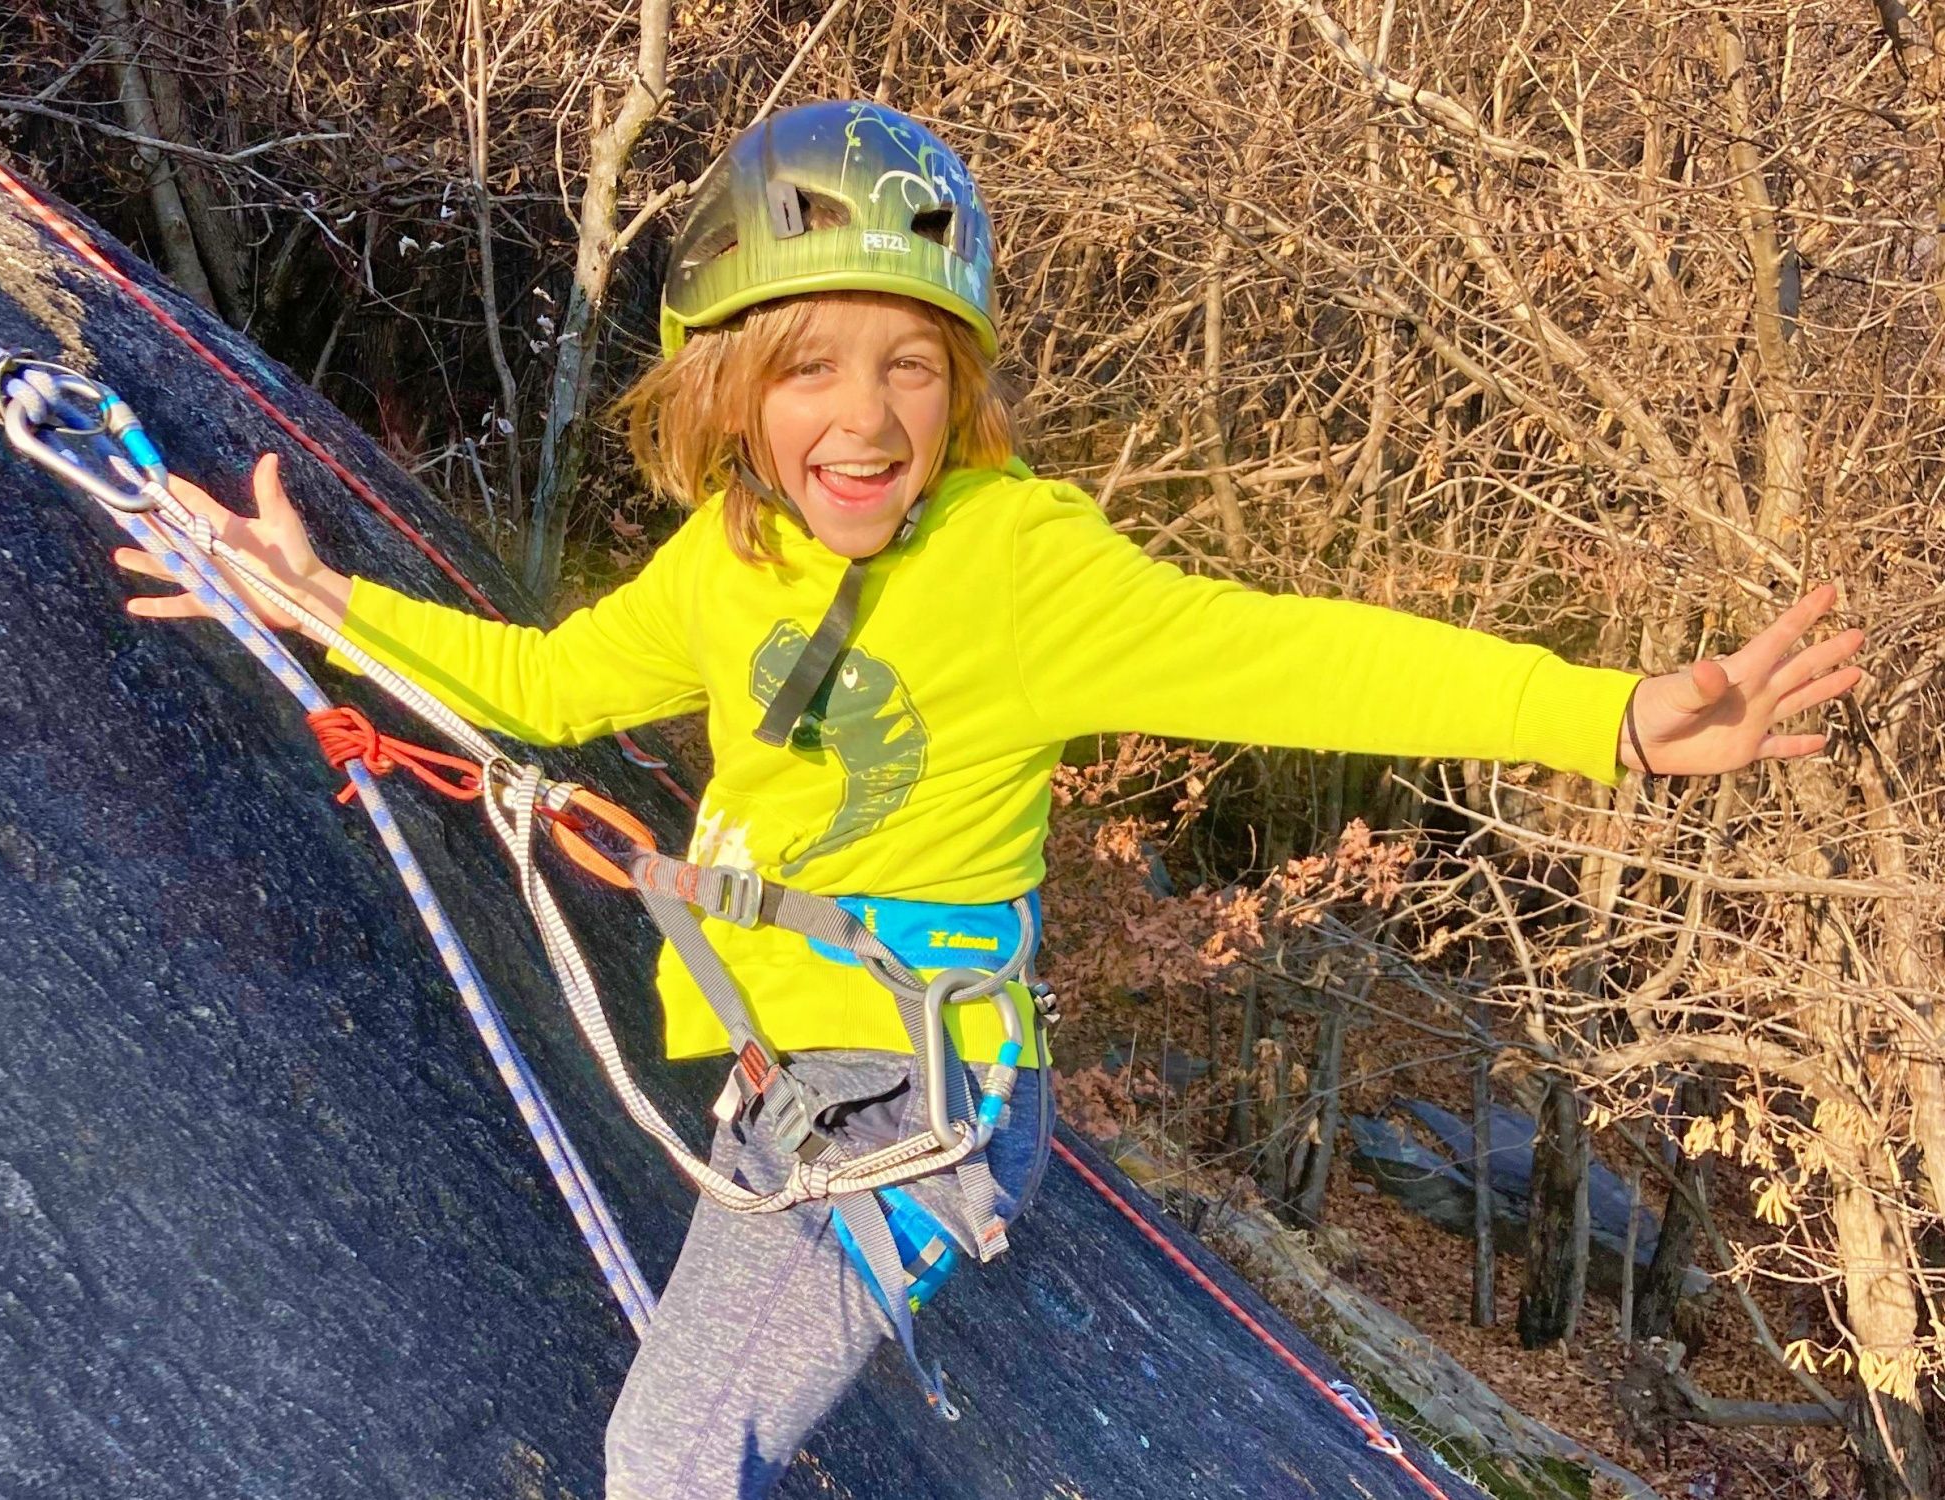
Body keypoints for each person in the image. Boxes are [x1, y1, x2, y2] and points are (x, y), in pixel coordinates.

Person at [115, 100, 1864, 1500]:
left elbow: (1305, 659)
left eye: (914, 362)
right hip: (794, 1080)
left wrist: (1614, 719)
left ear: (964, 382)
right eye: (811, 365)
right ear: (732, 384)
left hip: (916, 1101)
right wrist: (318, 601)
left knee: (660, 1462)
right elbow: (554, 686)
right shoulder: (733, 560)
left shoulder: (1016, 566)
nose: (867, 419)